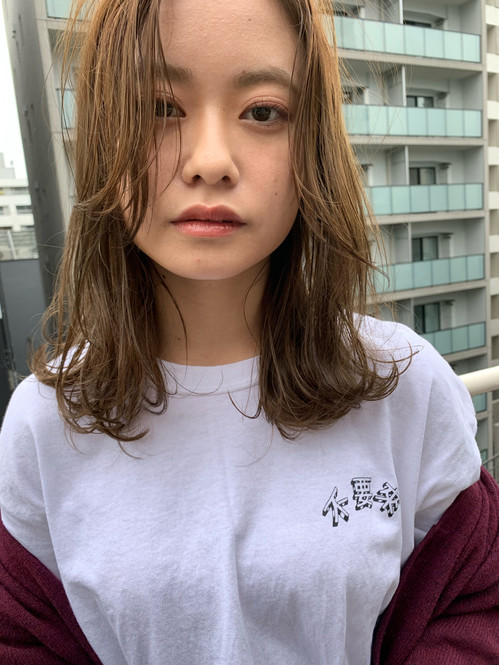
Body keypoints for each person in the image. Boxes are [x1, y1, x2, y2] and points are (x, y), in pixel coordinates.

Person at [0, 0, 497, 663]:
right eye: (159, 107)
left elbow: (472, 602)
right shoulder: (45, 421)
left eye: (263, 112)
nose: (210, 162)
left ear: (312, 144)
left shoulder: (404, 384)